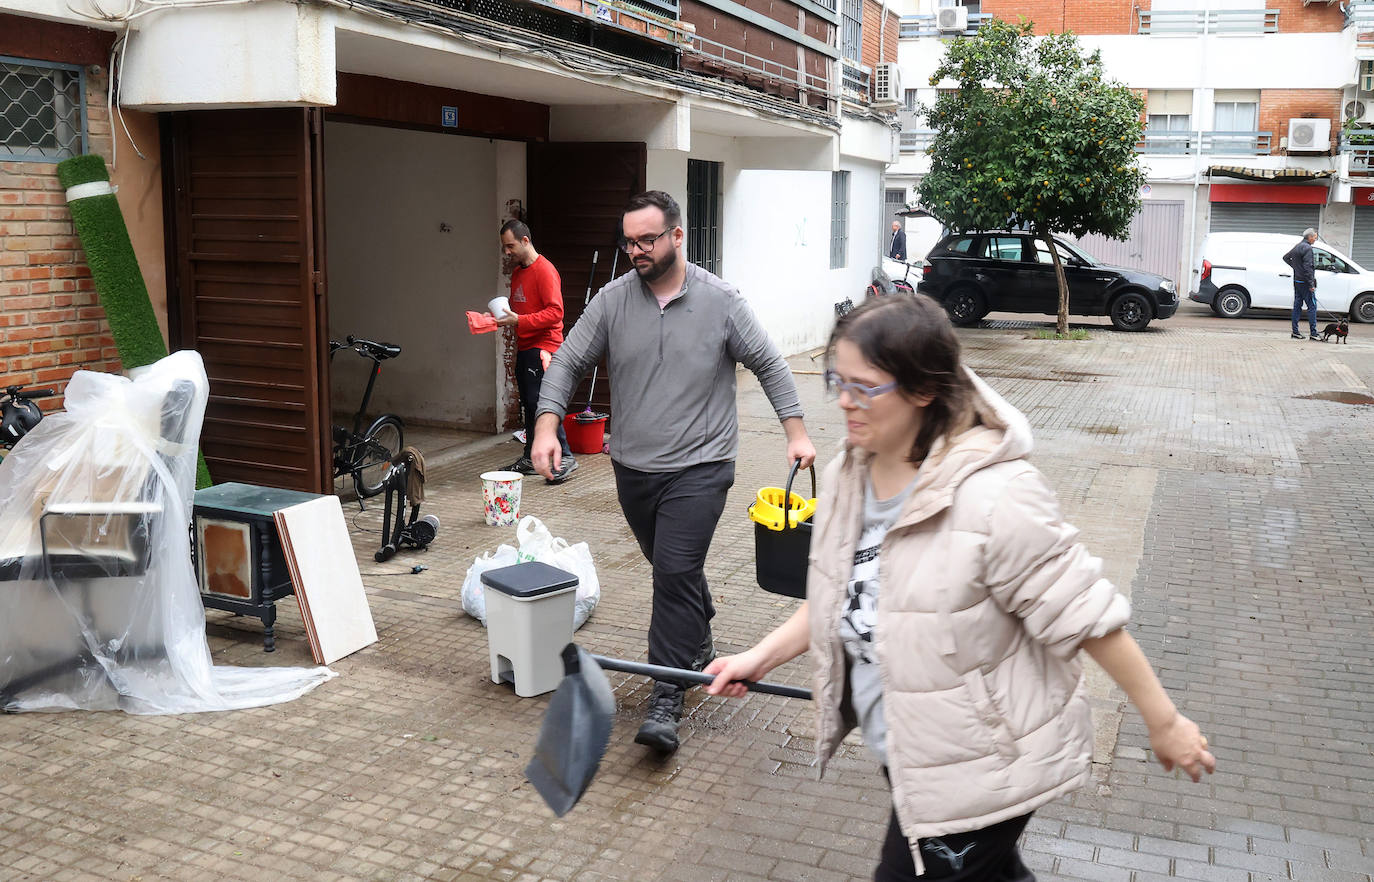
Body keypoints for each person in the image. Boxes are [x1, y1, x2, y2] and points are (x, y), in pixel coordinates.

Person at [704, 294, 1216, 880]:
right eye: (836, 381)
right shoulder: (854, 467)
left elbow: (1088, 616)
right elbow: (845, 593)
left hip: (981, 765)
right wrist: (758, 657)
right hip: (916, 753)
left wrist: (1164, 722)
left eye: (864, 386)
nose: (844, 401)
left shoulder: (996, 496)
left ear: (923, 389)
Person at [531, 190, 817, 754]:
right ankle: (699, 624)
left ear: (677, 236)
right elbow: (566, 360)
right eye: (629, 241)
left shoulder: (722, 302)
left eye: (647, 240)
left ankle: (668, 694)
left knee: (673, 571)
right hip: (633, 467)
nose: (636, 250)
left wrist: (797, 431)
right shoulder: (613, 302)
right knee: (674, 571)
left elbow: (768, 363)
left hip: (702, 466)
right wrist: (546, 425)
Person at [497, 219, 577, 484]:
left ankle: (564, 457)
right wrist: (497, 318)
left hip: (545, 346)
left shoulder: (545, 270)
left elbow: (556, 313)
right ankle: (532, 458)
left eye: (510, 246)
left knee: (542, 402)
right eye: (504, 247)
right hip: (525, 345)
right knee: (530, 405)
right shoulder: (520, 272)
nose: (507, 252)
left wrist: (518, 321)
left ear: (525, 241)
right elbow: (521, 310)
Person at [1283, 228, 1320, 341]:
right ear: (1309, 237)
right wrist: (1311, 284)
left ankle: (1295, 332)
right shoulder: (1307, 248)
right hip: (1305, 282)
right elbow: (1308, 267)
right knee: (1312, 306)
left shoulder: (1298, 246)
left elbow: (1285, 258)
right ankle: (1313, 333)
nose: (1315, 239)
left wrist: (1296, 268)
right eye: (1314, 237)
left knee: (1297, 306)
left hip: (1297, 281)